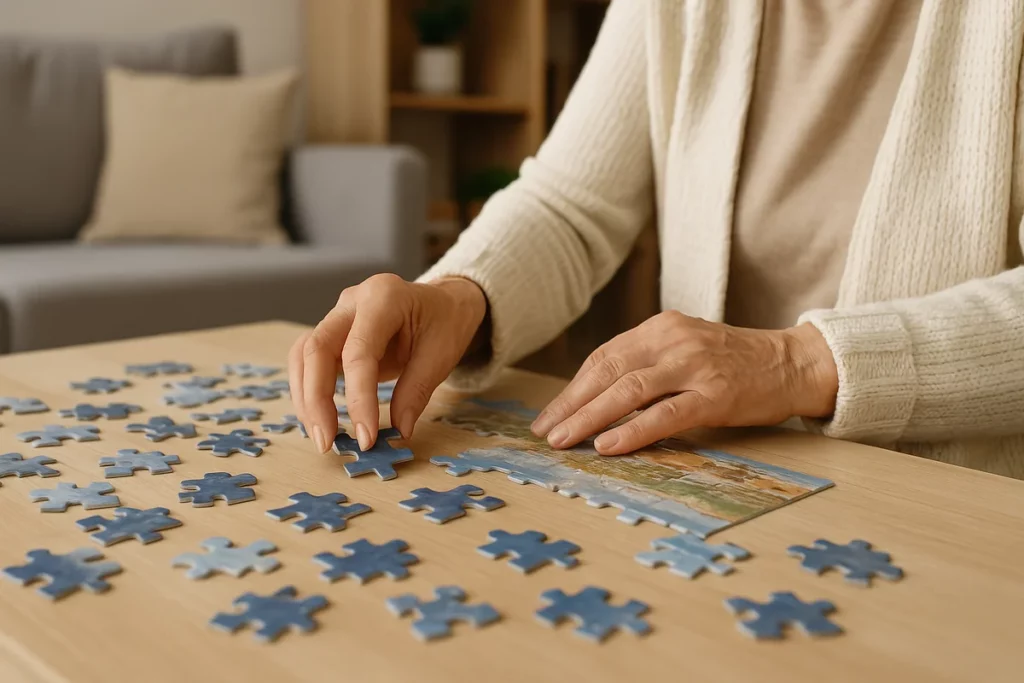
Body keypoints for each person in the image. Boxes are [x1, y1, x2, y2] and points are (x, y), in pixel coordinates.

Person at [290, 1, 1024, 480]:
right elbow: (571, 204)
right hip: (707, 477)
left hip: (954, 501)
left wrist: (796, 362)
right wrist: (459, 294)